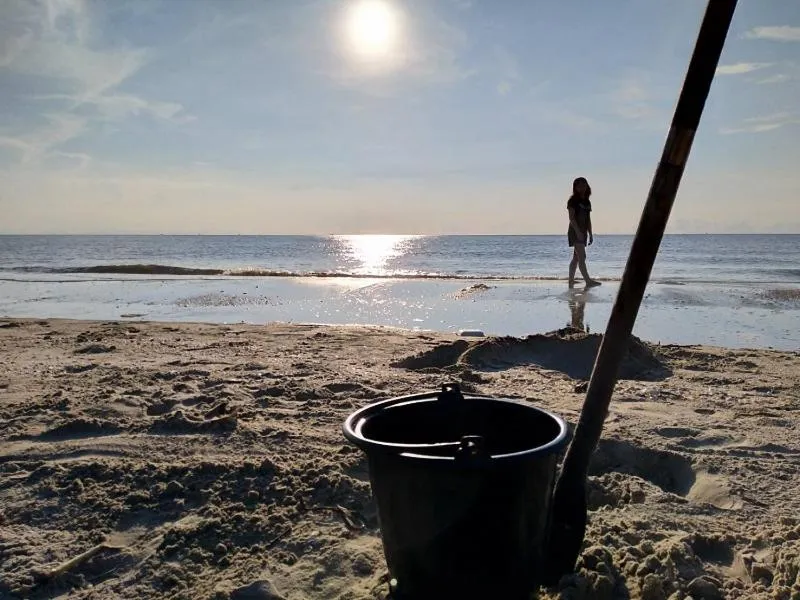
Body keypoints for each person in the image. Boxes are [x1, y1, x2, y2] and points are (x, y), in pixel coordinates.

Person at [567, 176, 601, 287]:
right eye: (579, 185)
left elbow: (588, 219)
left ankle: (571, 280)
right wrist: (578, 232)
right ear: (575, 187)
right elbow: (571, 218)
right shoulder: (572, 201)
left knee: (576, 257)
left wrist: (590, 233)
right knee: (582, 257)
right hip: (575, 231)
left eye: (584, 185)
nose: (582, 187)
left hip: (583, 231)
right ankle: (588, 281)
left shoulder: (587, 202)